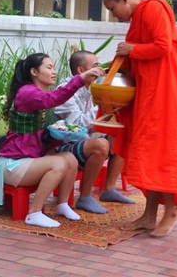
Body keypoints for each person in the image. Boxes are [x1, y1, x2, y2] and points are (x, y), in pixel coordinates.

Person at [102, 0, 177, 237]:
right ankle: (150, 214)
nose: (114, 16)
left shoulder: (154, 7)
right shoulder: (137, 18)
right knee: (147, 152)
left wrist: (132, 49)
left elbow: (163, 45)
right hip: (148, 94)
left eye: (112, 9)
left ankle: (171, 210)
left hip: (166, 92)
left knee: (164, 150)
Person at [0, 52, 104, 228]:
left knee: (70, 159)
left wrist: (61, 135)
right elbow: (55, 98)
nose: (54, 72)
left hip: (28, 160)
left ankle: (62, 204)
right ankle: (34, 213)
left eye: (54, 67)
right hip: (13, 164)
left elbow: (37, 134)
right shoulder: (27, 93)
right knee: (57, 164)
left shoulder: (37, 93)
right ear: (34, 72)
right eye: (49, 67)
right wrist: (80, 78)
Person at [54, 50, 135, 214]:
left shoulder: (90, 87)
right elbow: (76, 125)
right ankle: (84, 197)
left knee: (122, 135)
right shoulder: (65, 90)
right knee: (101, 145)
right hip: (63, 145)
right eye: (95, 66)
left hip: (85, 139)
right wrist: (104, 109)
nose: (100, 70)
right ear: (80, 70)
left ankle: (109, 189)